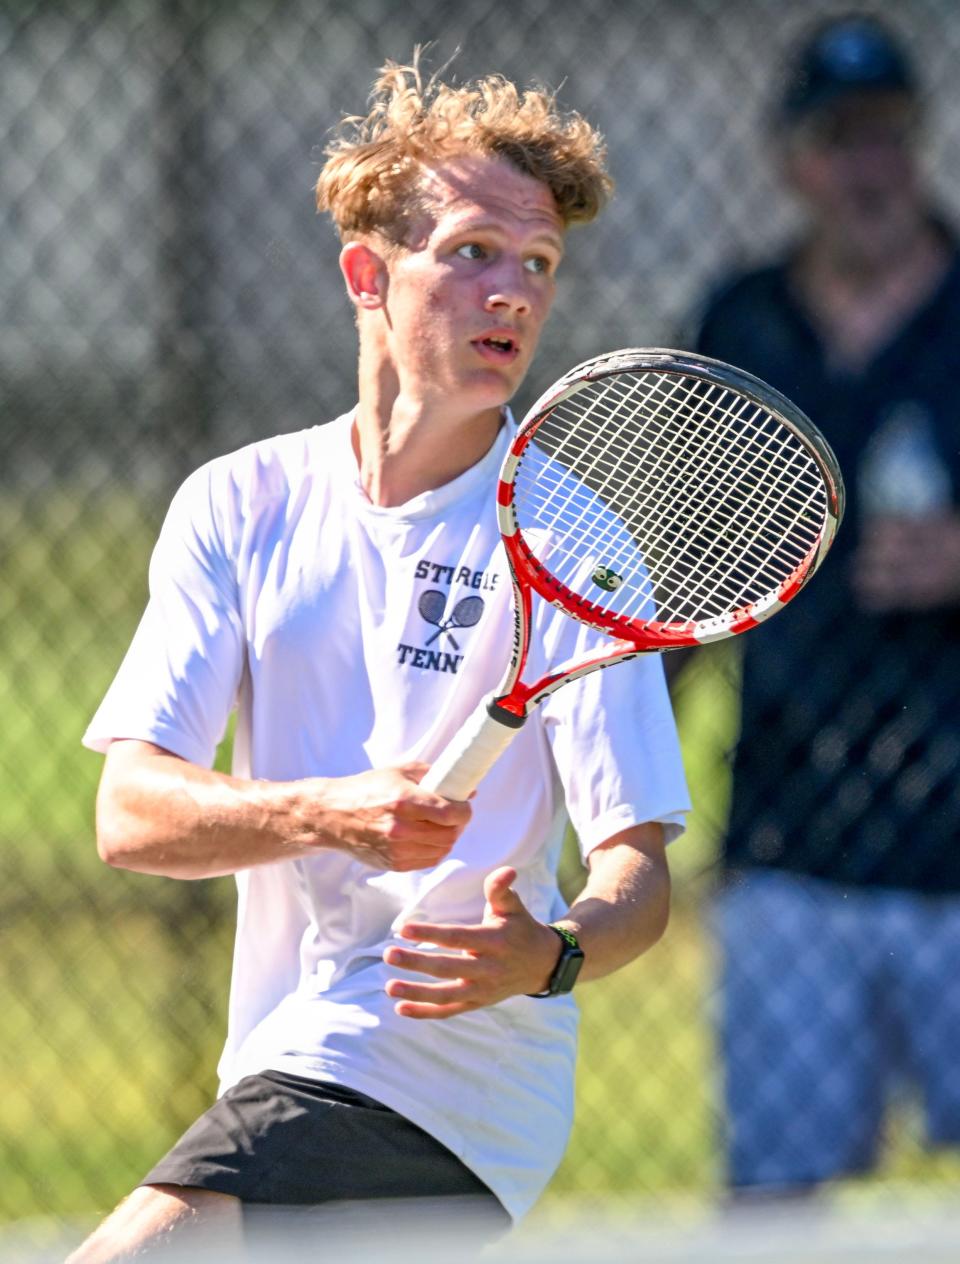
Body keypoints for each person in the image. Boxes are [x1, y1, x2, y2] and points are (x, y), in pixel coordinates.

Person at [68, 58, 690, 1260]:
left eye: (539, 266)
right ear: (369, 273)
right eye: (470, 253)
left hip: (450, 1079)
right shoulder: (238, 504)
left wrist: (549, 955)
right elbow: (129, 813)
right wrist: (323, 810)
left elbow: (638, 873)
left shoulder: (569, 542)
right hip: (279, 1045)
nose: (512, 292)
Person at [688, 13, 960, 1197]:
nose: (870, 169)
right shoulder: (742, 326)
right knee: (777, 1207)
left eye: (890, 135)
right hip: (789, 847)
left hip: (958, 848)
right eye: (840, 139)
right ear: (791, 160)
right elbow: (678, 574)